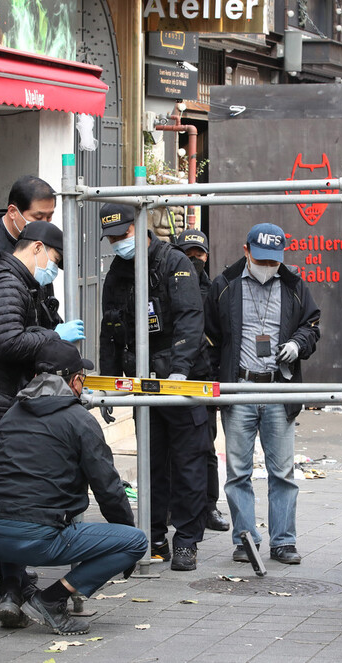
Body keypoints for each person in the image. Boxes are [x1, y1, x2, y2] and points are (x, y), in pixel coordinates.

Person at [0, 339, 147, 636]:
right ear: (75, 380)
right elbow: (108, 488)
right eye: (83, 378)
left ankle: (11, 592)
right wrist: (125, 540)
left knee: (17, 506)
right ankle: (50, 600)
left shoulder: (10, 414)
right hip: (35, 536)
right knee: (136, 541)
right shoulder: (79, 420)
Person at [0, 222, 84, 625]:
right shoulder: (5, 282)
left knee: (6, 498)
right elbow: (8, 341)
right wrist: (51, 336)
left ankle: (11, 582)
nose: (53, 270)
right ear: (39, 249)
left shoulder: (17, 282)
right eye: (55, 262)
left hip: (0, 400)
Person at [0, 176, 83, 526]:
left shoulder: (33, 255)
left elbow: (41, 310)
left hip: (11, 385)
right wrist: (51, 336)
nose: (46, 224)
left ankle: (6, 571)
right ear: (14, 212)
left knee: (7, 484)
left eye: (51, 216)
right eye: (39, 215)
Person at [98, 204, 209, 571]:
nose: (117, 243)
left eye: (122, 235)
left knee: (188, 462)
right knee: (151, 462)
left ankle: (188, 540)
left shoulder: (173, 262)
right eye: (111, 238)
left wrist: (180, 370)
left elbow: (190, 320)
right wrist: (109, 381)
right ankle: (155, 535)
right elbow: (110, 329)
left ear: (140, 227)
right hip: (141, 381)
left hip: (178, 378)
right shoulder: (117, 272)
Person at [205, 223, 321, 565]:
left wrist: (298, 345)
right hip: (238, 387)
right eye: (262, 260)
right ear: (246, 251)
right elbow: (210, 336)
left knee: (282, 472)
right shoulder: (224, 285)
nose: (268, 267)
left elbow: (312, 326)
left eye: (274, 262)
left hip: (277, 387)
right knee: (238, 472)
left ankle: (283, 541)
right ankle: (245, 541)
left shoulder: (295, 285)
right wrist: (217, 384)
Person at [176, 230, 230, 533]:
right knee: (172, 446)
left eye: (199, 254)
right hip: (174, 376)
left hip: (204, 378)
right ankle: (175, 505)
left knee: (205, 446)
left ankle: (209, 506)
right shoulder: (169, 285)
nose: (194, 259)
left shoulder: (215, 290)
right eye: (188, 254)